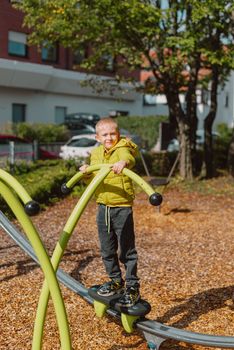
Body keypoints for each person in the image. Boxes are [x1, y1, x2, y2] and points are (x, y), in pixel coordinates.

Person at [79, 117, 140, 307]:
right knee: (107, 249)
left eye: (113, 133)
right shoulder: (96, 153)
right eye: (105, 134)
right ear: (97, 137)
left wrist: (123, 162)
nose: (109, 137)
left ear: (118, 135)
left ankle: (132, 287)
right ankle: (115, 281)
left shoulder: (121, 148)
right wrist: (87, 173)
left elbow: (129, 157)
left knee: (126, 250)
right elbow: (93, 181)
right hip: (103, 206)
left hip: (121, 206)